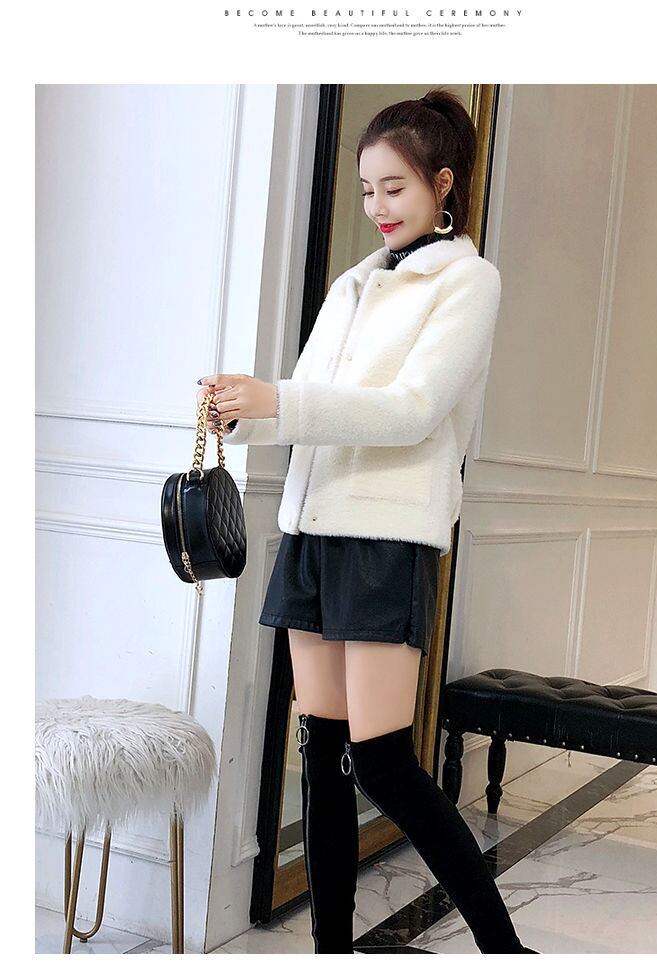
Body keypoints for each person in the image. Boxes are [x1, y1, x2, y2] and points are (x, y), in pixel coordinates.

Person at [197, 89, 533, 955]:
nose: (378, 206)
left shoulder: (468, 280)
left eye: (395, 187)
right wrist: (242, 411)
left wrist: (278, 398)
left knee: (382, 760)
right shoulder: (353, 284)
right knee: (320, 749)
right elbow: (311, 405)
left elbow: (413, 409)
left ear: (443, 184)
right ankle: (333, 950)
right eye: (367, 190)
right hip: (313, 533)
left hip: (385, 538)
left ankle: (504, 948)